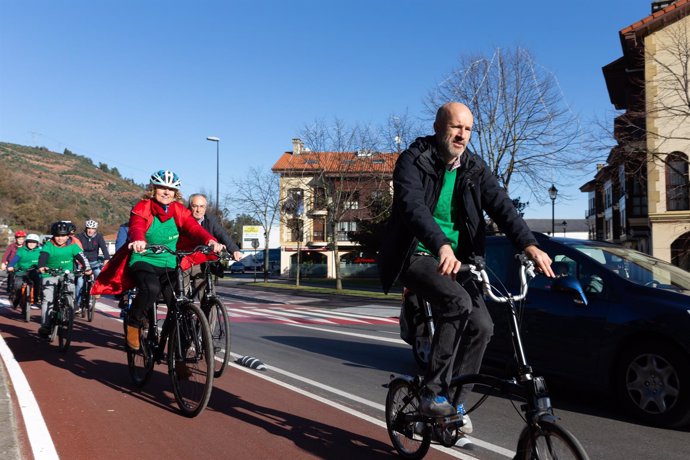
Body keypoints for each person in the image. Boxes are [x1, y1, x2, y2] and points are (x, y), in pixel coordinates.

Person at [378, 102, 555, 428]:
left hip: (459, 261)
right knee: (457, 303)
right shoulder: (412, 160)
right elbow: (412, 206)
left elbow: (503, 207)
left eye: (468, 129)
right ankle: (433, 394)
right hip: (417, 255)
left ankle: (454, 408)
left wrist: (530, 245)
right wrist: (441, 244)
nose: (461, 135)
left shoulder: (474, 168)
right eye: (455, 127)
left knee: (483, 326)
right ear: (438, 127)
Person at [92, 170, 224, 351]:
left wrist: (210, 240)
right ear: (153, 189)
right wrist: (138, 239)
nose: (166, 192)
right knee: (151, 289)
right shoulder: (143, 206)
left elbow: (193, 227)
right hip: (144, 259)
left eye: (171, 189)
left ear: (175, 193)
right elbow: (137, 225)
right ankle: (134, 322)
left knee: (179, 305)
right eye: (162, 187)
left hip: (169, 263)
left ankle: (179, 356)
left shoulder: (179, 210)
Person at [180, 193, 243, 299]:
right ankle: (184, 310)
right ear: (189, 207)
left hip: (201, 262)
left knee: (207, 293)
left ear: (206, 208)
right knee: (181, 292)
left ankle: (208, 312)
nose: (198, 210)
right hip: (184, 260)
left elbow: (223, 235)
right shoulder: (182, 218)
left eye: (202, 206)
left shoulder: (211, 220)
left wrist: (234, 250)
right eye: (195, 206)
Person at [37, 221, 92, 337]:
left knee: (70, 290)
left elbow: (82, 257)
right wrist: (42, 266)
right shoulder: (48, 245)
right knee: (48, 298)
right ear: (53, 235)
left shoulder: (73, 245)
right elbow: (43, 256)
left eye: (63, 236)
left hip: (67, 273)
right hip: (50, 273)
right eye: (57, 236)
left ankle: (68, 310)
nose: (60, 238)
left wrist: (87, 268)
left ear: (68, 235)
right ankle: (45, 325)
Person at [74, 219, 111, 310]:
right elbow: (75, 249)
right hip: (82, 262)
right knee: (79, 283)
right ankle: (77, 305)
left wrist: (106, 258)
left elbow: (104, 248)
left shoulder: (99, 237)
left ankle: (97, 290)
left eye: (93, 228)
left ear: (95, 229)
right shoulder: (80, 236)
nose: (90, 230)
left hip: (94, 261)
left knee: (98, 273)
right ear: (86, 228)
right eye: (89, 228)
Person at [7, 233, 42, 307]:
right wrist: (10, 266)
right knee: (18, 286)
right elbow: (15, 259)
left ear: (37, 243)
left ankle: (35, 298)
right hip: (21, 270)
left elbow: (45, 260)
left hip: (33, 270)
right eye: (30, 242)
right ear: (26, 242)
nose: (31, 244)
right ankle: (17, 299)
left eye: (34, 242)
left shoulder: (40, 251)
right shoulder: (21, 250)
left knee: (38, 281)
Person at [1, 230, 27, 295]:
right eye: (19, 239)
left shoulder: (26, 246)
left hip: (22, 264)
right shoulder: (11, 246)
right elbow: (6, 254)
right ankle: (9, 288)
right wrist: (4, 262)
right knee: (11, 275)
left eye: (22, 239)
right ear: (16, 239)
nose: (21, 240)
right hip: (12, 264)